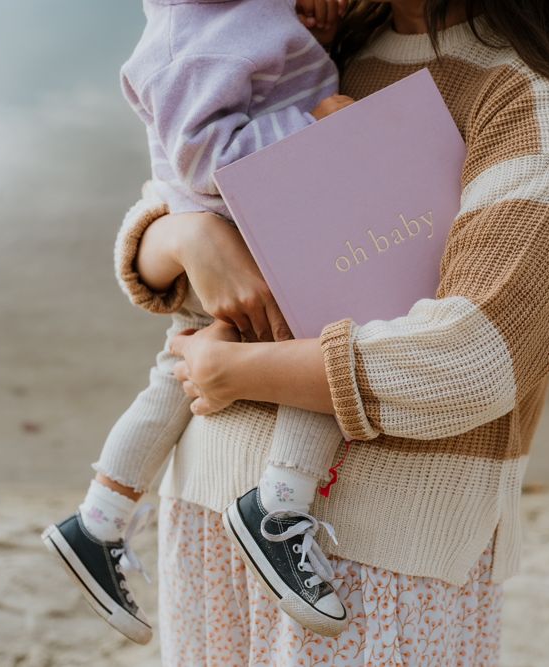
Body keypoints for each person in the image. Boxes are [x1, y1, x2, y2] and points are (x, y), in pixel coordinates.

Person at [122, 0, 549, 662]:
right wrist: (186, 234)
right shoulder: (335, 41)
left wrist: (232, 372)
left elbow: (473, 358)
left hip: (372, 559)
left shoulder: (531, 101)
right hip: (204, 507)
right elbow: (180, 179)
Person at [41, 0, 365, 644]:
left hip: (250, 230)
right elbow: (204, 159)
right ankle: (277, 510)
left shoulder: (241, 15)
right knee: (329, 348)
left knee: (173, 375)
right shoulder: (192, 41)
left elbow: (269, 71)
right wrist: (317, 125)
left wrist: (313, 30)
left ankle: (99, 519)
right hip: (249, 235)